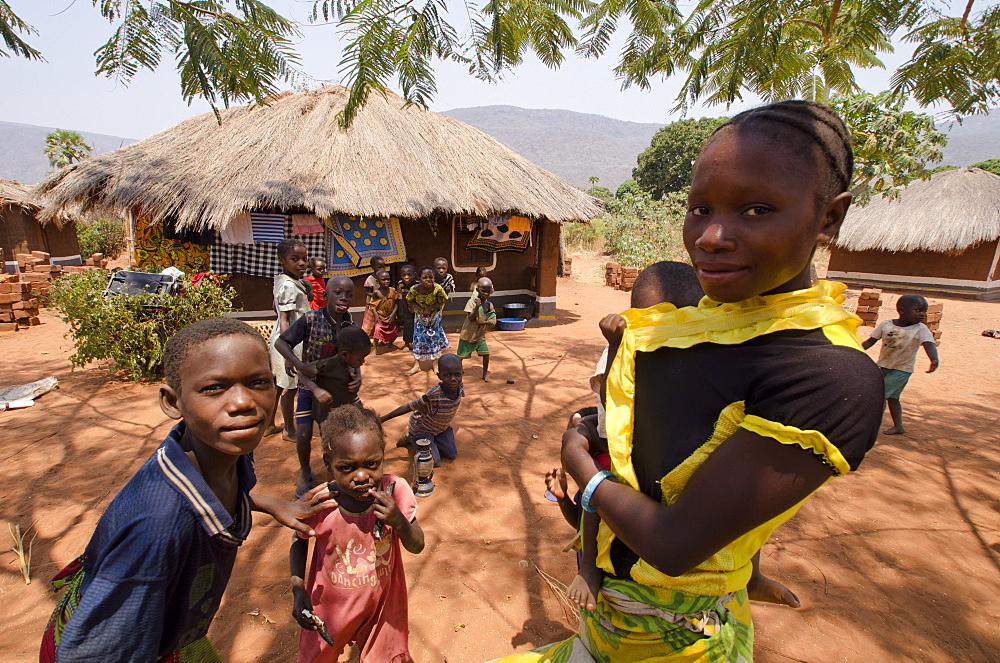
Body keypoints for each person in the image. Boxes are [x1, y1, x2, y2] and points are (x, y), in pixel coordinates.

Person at [497, 100, 884, 662]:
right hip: (610, 624)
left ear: (829, 218)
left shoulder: (826, 375)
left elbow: (674, 544)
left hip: (681, 645)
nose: (711, 236)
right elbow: (638, 481)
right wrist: (592, 457)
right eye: (700, 208)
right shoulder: (679, 330)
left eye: (755, 209)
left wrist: (578, 462)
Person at [40, 318, 335, 662]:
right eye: (213, 388)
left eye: (257, 382)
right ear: (172, 402)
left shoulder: (222, 449)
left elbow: (204, 499)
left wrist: (268, 504)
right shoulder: (157, 529)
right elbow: (97, 651)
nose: (242, 402)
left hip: (170, 631)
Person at [291, 405, 425, 663]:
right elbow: (299, 538)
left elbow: (417, 545)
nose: (362, 476)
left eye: (372, 464)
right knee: (318, 656)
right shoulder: (322, 502)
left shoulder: (394, 490)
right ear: (329, 466)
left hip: (384, 605)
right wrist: (298, 588)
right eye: (347, 467)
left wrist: (399, 521)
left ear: (383, 457)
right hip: (330, 608)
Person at [275, 276, 359, 498]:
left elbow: (355, 358)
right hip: (308, 387)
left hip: (336, 392)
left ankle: (332, 470)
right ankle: (305, 472)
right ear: (325, 295)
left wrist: (357, 376)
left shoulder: (351, 326)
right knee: (303, 434)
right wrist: (299, 364)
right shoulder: (310, 319)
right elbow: (281, 342)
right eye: (338, 292)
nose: (344, 298)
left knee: (332, 435)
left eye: (349, 294)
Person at [861, 294, 940, 435]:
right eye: (918, 310)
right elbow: (870, 342)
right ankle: (898, 426)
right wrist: (854, 350)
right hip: (884, 366)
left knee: (880, 395)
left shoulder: (920, 329)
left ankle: (869, 426)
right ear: (902, 310)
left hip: (902, 370)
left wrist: (934, 359)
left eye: (924, 311)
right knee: (893, 398)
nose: (922, 314)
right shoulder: (886, 325)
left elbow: (929, 344)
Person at [381, 354, 464, 467]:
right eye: (447, 375)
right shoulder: (433, 395)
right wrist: (383, 419)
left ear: (462, 374)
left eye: (457, 374)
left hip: (441, 429)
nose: (453, 379)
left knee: (451, 454)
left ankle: (432, 440)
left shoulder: (460, 387)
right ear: (439, 376)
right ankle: (410, 435)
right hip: (422, 428)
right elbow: (410, 406)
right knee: (434, 462)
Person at [269, 239, 311, 439]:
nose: (301, 263)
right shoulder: (288, 285)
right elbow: (285, 319)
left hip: (284, 338)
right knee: (289, 386)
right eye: (295, 259)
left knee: (279, 384)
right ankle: (289, 429)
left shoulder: (284, 281)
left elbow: (275, 308)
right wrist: (289, 353)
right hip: (289, 341)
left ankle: (269, 425)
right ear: (282, 261)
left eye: (304, 258)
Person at [297, 326, 370, 426]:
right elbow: (301, 372)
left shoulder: (351, 364)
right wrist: (316, 390)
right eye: (360, 359)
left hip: (345, 408)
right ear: (344, 355)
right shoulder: (328, 364)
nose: (363, 362)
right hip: (326, 413)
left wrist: (357, 379)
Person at [404, 265, 449, 376]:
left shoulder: (438, 288)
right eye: (425, 277)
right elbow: (409, 300)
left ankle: (435, 363)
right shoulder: (414, 289)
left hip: (434, 318)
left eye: (431, 277)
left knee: (434, 339)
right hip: (420, 318)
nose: (428, 280)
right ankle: (417, 364)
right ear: (419, 278)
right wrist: (421, 309)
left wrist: (430, 308)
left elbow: (442, 301)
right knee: (418, 339)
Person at [458, 277, 498, 381]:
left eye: (488, 291)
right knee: (460, 356)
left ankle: (485, 374)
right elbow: (470, 317)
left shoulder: (489, 305)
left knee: (486, 354)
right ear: (477, 290)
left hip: (480, 335)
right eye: (483, 291)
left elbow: (493, 322)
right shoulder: (472, 302)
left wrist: (482, 322)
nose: (485, 294)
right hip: (468, 334)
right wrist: (477, 306)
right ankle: (458, 371)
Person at [371, 269, 400, 349]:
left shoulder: (393, 290)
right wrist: (376, 315)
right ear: (378, 281)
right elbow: (372, 305)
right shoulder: (376, 293)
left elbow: (396, 303)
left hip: (390, 316)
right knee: (377, 331)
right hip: (380, 316)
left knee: (393, 332)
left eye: (388, 279)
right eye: (384, 280)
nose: (386, 281)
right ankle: (374, 348)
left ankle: (390, 344)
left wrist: (393, 314)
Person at [362, 256, 387, 336]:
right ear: (373, 267)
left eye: (383, 267)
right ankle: (364, 337)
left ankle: (381, 339)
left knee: (380, 323)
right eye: (379, 267)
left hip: (381, 305)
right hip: (371, 305)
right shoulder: (370, 279)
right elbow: (366, 292)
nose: (382, 269)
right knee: (368, 324)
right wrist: (375, 294)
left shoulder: (384, 278)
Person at [396, 264, 417, 352]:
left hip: (418, 306)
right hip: (407, 305)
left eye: (409, 274)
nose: (406, 277)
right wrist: (407, 307)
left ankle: (417, 343)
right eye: (404, 275)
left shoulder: (417, 285)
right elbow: (403, 297)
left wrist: (415, 308)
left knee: (417, 325)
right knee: (407, 324)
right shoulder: (400, 284)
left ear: (414, 275)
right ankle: (407, 343)